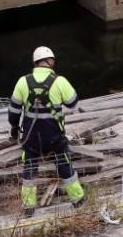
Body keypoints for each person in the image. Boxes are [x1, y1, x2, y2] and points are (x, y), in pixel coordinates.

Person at [7, 46, 85, 216]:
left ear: (35, 62)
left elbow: (14, 111)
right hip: (55, 136)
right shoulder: (60, 81)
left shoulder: (22, 81)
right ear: (50, 62)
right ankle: (78, 199)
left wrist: (14, 128)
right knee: (64, 166)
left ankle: (28, 207)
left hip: (31, 137)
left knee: (30, 169)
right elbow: (73, 103)